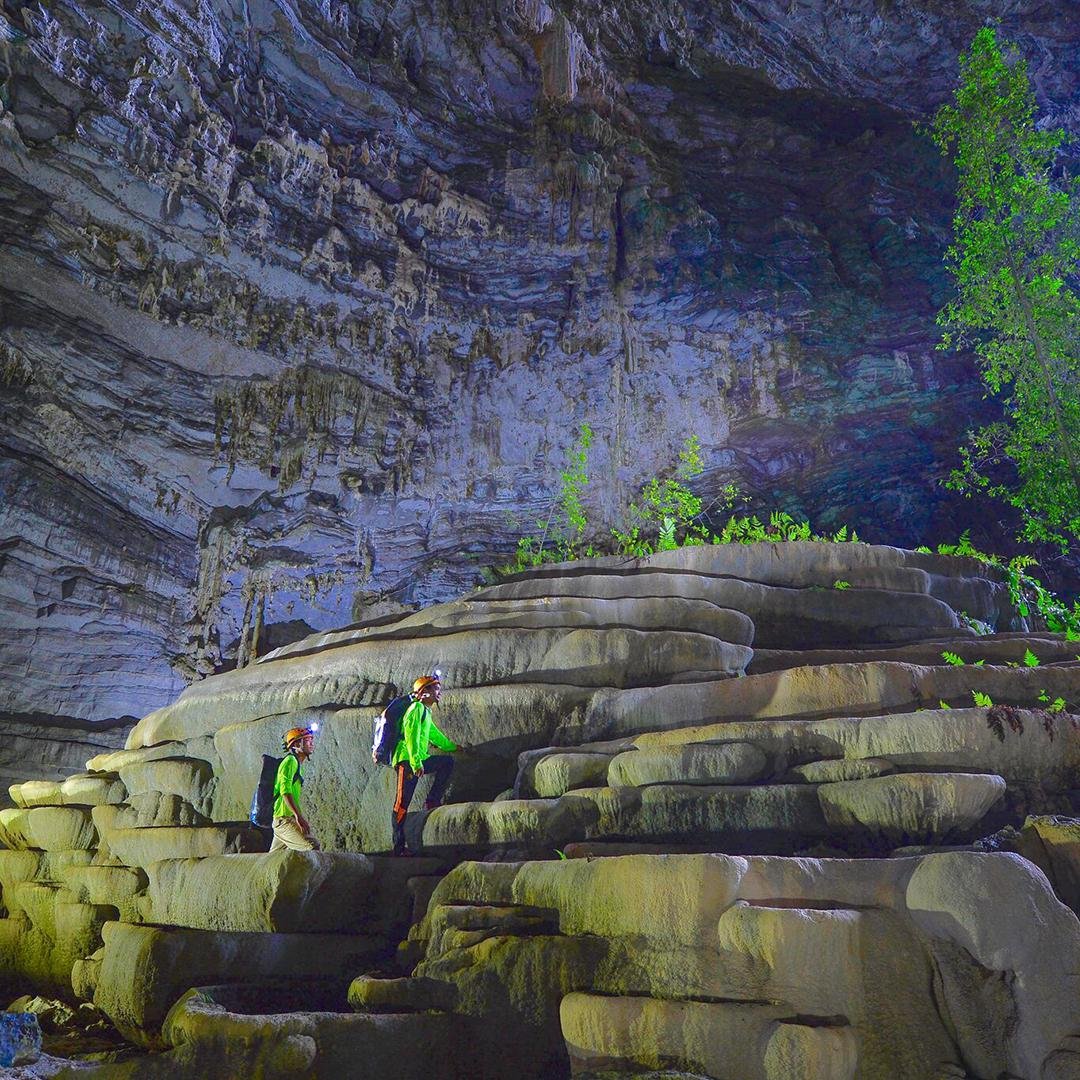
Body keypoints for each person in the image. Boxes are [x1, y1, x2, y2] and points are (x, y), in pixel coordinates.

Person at [391, 673, 457, 856]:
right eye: (436, 688)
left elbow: (434, 735)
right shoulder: (416, 708)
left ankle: (432, 800)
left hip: (419, 759)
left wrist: (453, 747)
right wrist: (415, 763)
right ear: (424, 692)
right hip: (407, 761)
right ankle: (398, 848)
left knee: (447, 762)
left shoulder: (426, 712)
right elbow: (410, 735)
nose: (439, 692)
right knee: (401, 804)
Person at [270, 725, 321, 852]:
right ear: (297, 744)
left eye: (311, 740)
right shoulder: (290, 761)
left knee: (274, 858)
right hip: (284, 821)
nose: (311, 743)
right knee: (311, 847)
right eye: (307, 740)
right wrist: (299, 816)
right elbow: (285, 792)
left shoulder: (297, 764)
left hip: (285, 819)